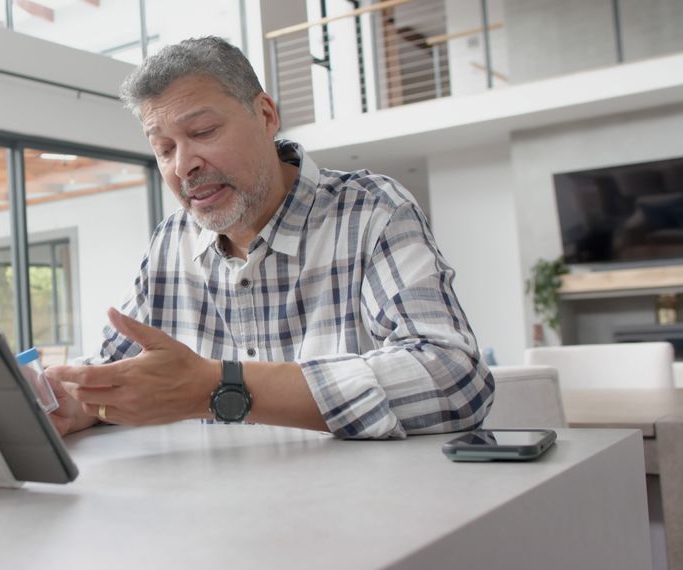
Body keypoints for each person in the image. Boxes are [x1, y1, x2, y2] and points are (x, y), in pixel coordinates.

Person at [43, 36, 494, 439]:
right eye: (164, 149)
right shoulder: (171, 241)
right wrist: (77, 402)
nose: (183, 166)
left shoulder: (370, 211)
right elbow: (114, 370)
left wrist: (219, 386)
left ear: (265, 115)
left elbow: (453, 377)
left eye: (202, 132)